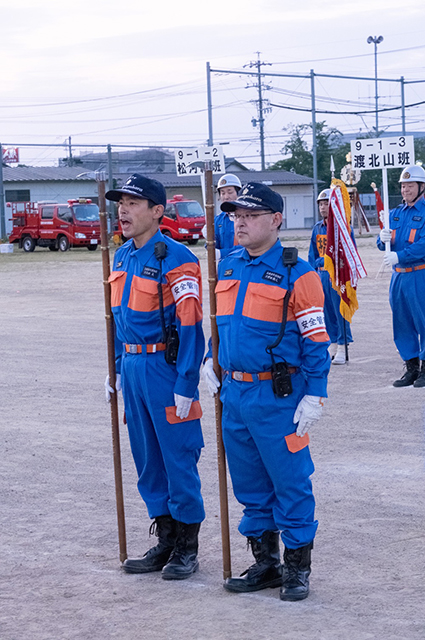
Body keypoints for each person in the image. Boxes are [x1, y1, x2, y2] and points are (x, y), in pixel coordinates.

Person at [202, 182, 330, 601]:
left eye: (250, 216)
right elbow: (223, 324)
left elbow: (316, 341)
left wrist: (315, 394)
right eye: (236, 216)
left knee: (290, 481)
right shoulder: (231, 265)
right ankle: (265, 562)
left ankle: (296, 567)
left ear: (276, 220)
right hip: (235, 395)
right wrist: (209, 358)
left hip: (279, 396)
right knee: (250, 484)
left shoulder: (300, 272)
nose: (240, 222)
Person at [104, 173, 205, 580]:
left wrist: (186, 382)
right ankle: (164, 537)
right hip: (132, 367)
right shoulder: (123, 256)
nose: (122, 211)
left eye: (132, 203)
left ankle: (186, 545)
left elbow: (191, 325)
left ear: (157, 211)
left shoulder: (177, 258)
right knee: (147, 458)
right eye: (120, 203)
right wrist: (115, 368)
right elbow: (117, 319)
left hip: (164, 368)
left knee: (177, 456)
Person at [377, 164, 425, 388]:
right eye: (403, 186)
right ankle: (412, 366)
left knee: (423, 321)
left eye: (410, 185)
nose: (406, 190)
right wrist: (382, 237)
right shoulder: (395, 213)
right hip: (398, 278)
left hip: (419, 274)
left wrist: (400, 256)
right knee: (402, 322)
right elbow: (383, 245)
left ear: (421, 187)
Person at [308, 188, 354, 365]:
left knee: (340, 310)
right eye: (320, 204)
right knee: (326, 311)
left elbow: (346, 252)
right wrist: (314, 269)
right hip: (322, 276)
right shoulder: (317, 228)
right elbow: (312, 254)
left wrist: (323, 261)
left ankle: (343, 344)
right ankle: (333, 343)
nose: (323, 207)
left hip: (338, 275)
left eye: (326, 203)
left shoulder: (342, 228)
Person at [213, 173, 242, 258]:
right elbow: (213, 247)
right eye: (222, 193)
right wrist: (209, 239)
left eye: (230, 192)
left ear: (239, 193)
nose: (226, 197)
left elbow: (249, 247)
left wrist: (222, 253)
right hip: (225, 266)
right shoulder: (218, 220)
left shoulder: (248, 216)